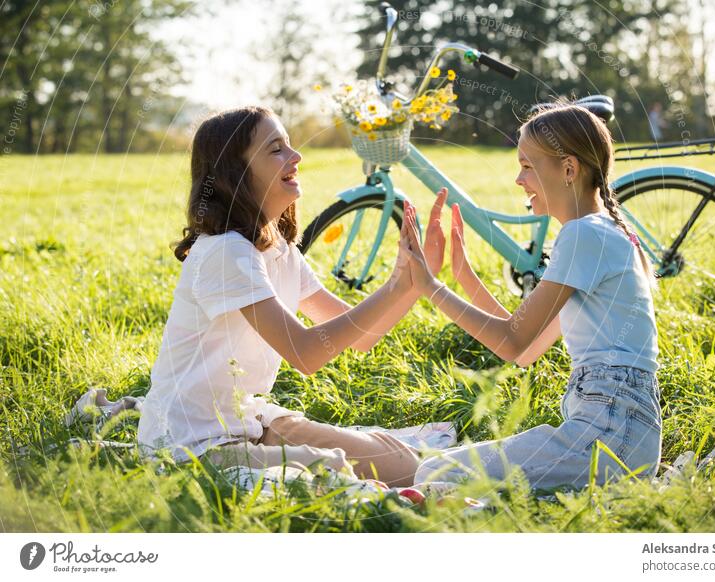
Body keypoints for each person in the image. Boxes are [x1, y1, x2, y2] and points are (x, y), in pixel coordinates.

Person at [137, 105, 448, 487]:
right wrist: (396, 288)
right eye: (276, 149)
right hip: (191, 447)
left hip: (248, 421)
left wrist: (412, 281)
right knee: (329, 470)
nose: (296, 156)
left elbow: (365, 337)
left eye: (289, 145)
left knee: (397, 460)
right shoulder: (224, 253)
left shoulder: (279, 248)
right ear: (236, 173)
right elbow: (305, 352)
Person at [398, 102, 662, 491]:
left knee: (436, 474)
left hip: (610, 435)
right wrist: (463, 277)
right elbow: (527, 348)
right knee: (444, 475)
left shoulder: (584, 234)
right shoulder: (598, 232)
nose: (519, 180)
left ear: (568, 170)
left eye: (526, 166)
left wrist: (429, 287)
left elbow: (511, 341)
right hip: (621, 436)